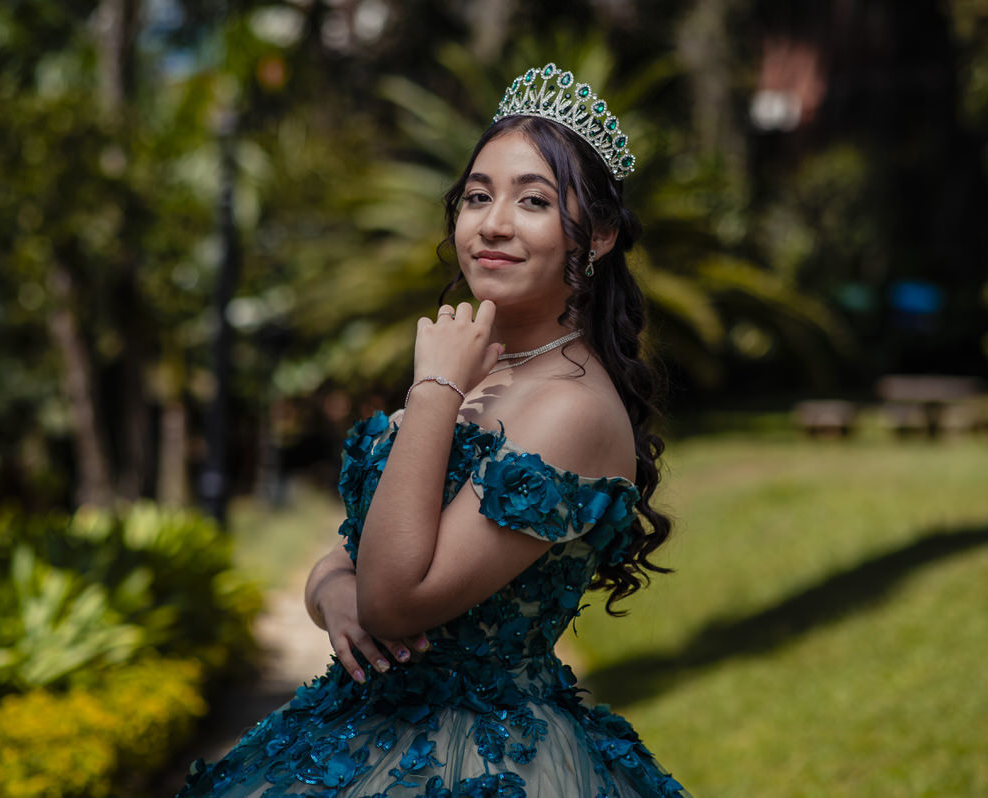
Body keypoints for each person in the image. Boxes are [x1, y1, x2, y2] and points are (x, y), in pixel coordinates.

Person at [178, 62, 686, 798]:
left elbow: (397, 597)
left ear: (599, 233)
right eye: (478, 197)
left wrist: (433, 390)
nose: (494, 223)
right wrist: (332, 592)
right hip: (350, 728)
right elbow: (353, 554)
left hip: (474, 760)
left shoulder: (568, 408)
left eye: (533, 201)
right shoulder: (475, 366)